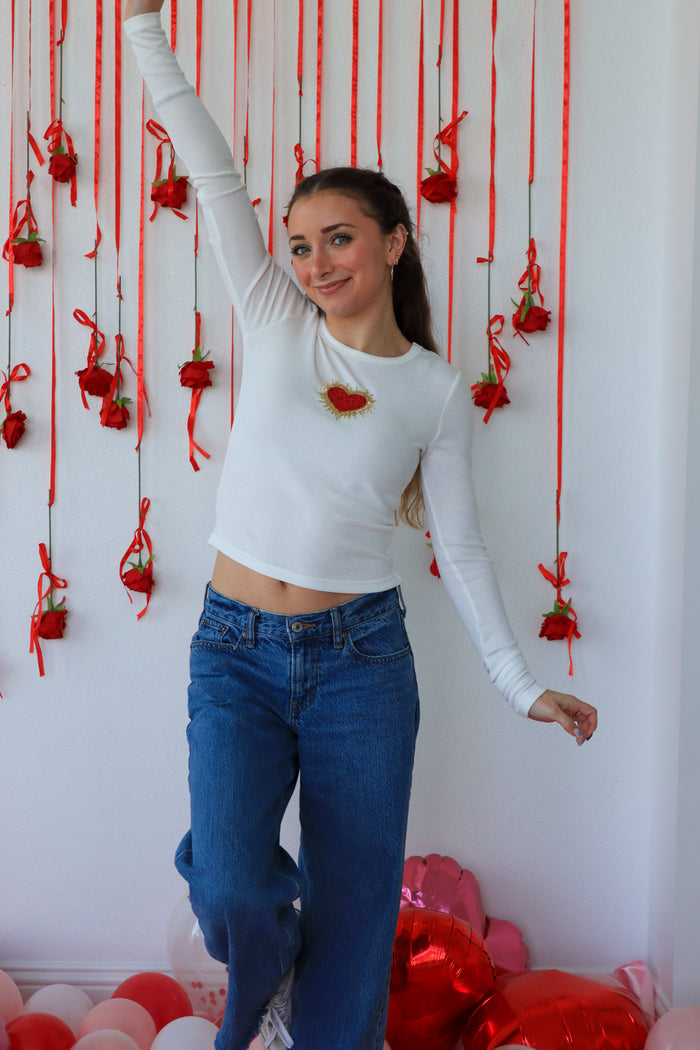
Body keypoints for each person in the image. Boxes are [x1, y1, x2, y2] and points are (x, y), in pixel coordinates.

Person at [123, 4, 598, 1050]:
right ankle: (271, 969)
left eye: (337, 239)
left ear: (392, 241)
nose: (314, 263)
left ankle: (324, 1023)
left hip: (362, 663)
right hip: (236, 652)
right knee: (233, 885)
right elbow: (210, 170)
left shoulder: (434, 389)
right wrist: (147, 28)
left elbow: (458, 548)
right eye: (300, 245)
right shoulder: (273, 321)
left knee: (356, 898)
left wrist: (519, 683)